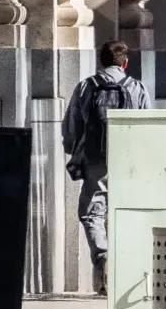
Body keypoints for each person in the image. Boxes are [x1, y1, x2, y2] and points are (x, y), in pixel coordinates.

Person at [62, 40, 152, 295]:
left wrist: (75, 151)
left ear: (101, 61)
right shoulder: (136, 87)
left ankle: (102, 255)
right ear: (125, 63)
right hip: (129, 160)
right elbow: (147, 126)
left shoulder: (86, 87)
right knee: (126, 212)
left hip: (95, 160)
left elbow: (71, 126)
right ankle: (125, 272)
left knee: (93, 213)